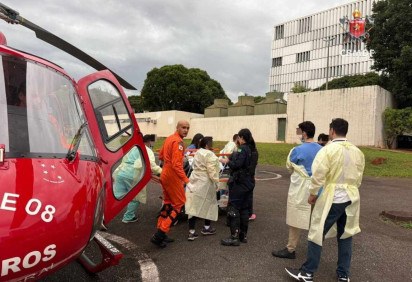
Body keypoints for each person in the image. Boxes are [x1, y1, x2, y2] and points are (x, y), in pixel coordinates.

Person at [285, 118, 365, 282]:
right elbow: (359, 177)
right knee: (345, 235)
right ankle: (343, 274)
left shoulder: (328, 150)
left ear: (332, 131)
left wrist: (313, 194)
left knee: (316, 232)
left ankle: (307, 272)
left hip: (333, 196)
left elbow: (318, 174)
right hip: (351, 197)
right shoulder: (357, 152)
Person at [272, 121, 321, 259]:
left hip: (301, 188)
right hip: (318, 188)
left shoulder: (297, 150)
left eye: (300, 132)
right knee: (316, 219)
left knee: (296, 217)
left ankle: (291, 248)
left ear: (304, 133)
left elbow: (289, 166)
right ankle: (315, 249)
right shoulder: (322, 149)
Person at [151, 120, 191, 248]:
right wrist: (186, 180)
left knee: (168, 202)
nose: (185, 130)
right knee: (179, 204)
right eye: (183, 127)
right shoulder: (178, 142)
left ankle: (161, 229)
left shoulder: (169, 138)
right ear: (178, 128)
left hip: (165, 173)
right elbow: (177, 165)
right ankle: (161, 233)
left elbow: (161, 156)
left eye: (187, 128)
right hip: (172, 175)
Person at [220, 128, 255, 246]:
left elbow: (237, 164)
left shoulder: (241, 148)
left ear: (241, 138)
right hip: (248, 182)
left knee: (233, 207)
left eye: (239, 138)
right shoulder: (252, 149)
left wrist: (226, 161)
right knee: (245, 209)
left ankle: (234, 236)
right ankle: (243, 235)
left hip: (239, 182)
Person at [185, 136, 220, 241]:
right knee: (208, 204)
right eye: (211, 143)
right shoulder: (210, 154)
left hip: (194, 178)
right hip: (205, 181)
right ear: (206, 144)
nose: (212, 144)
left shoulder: (198, 152)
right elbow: (212, 171)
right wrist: (216, 182)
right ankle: (206, 227)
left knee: (193, 205)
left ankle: (191, 231)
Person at [121, 134, 162, 223]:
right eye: (153, 141)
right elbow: (151, 164)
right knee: (136, 197)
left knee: (120, 195)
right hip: (134, 174)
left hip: (122, 172)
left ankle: (104, 217)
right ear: (149, 141)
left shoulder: (134, 148)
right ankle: (128, 217)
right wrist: (162, 171)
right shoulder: (147, 150)